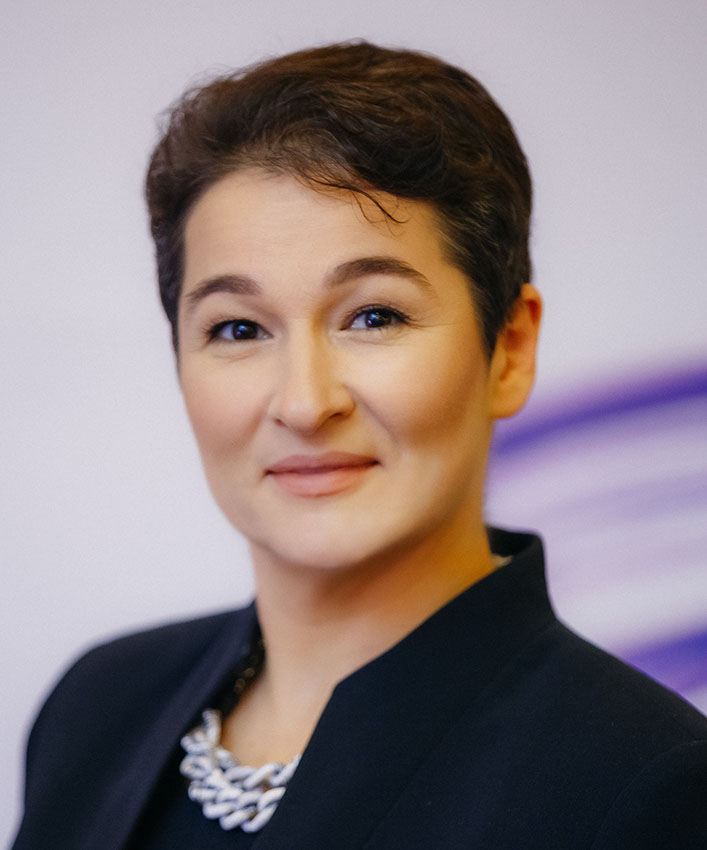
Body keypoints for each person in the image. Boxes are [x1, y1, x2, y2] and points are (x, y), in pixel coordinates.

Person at [11, 41, 707, 850]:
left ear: (509, 350)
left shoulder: (639, 782)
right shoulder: (99, 707)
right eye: (237, 328)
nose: (305, 403)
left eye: (373, 316)